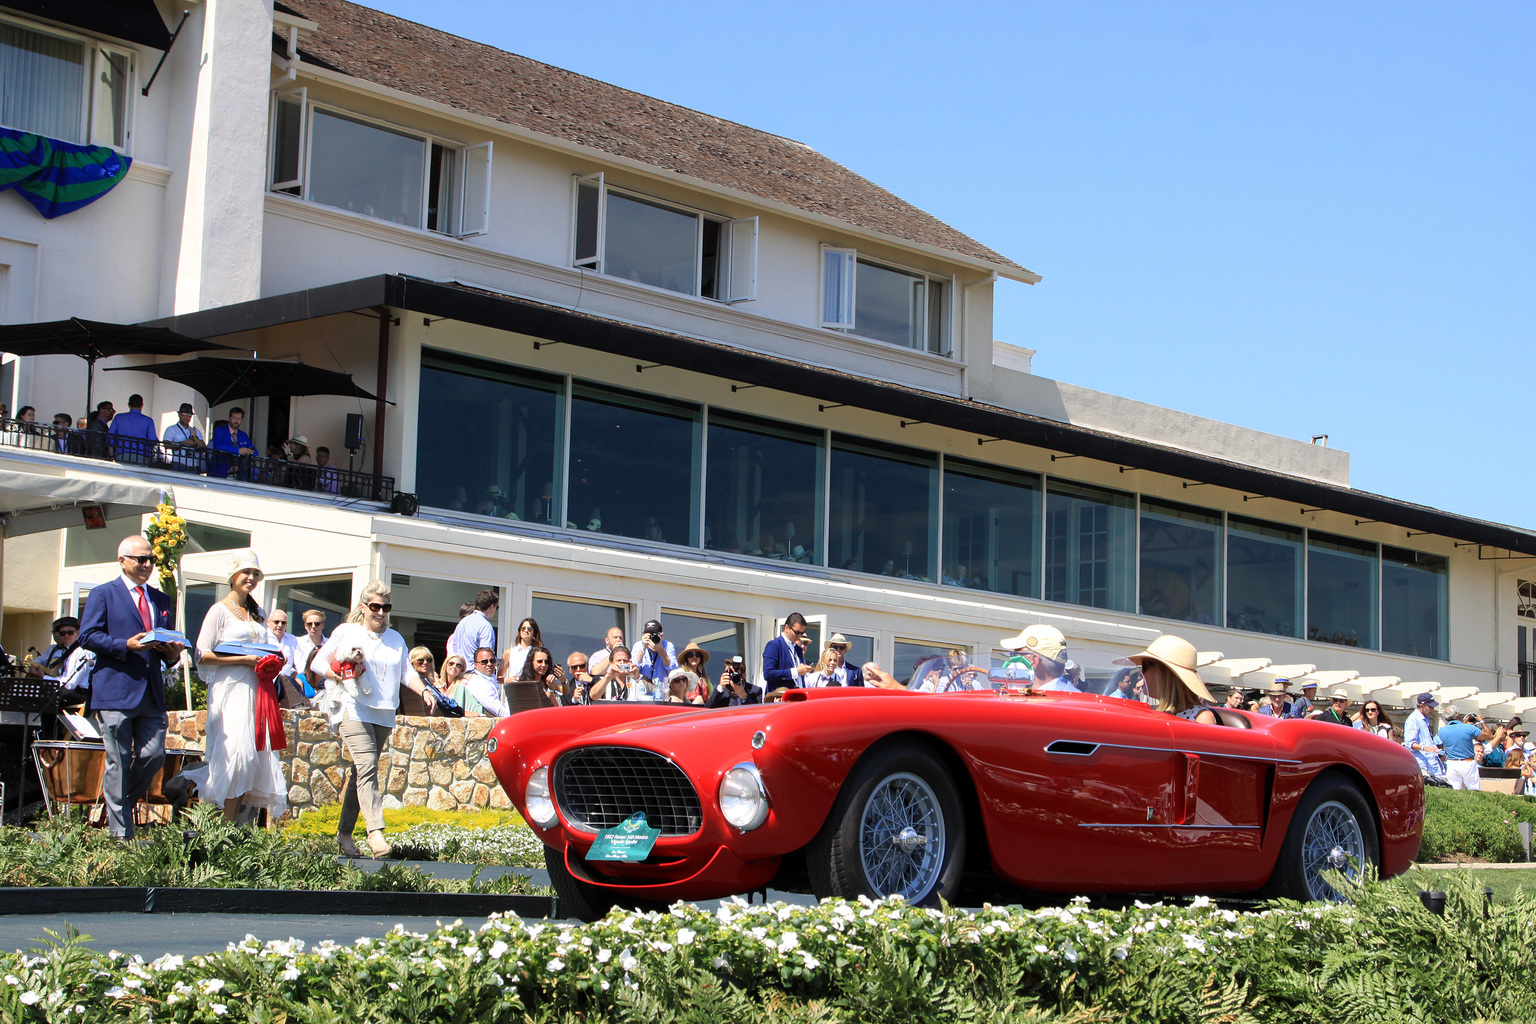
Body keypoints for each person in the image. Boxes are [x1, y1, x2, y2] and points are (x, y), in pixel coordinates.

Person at [77, 536, 184, 838]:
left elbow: (165, 643)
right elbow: (88, 636)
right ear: (122, 560)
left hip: (151, 692)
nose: (147, 565)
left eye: (151, 559)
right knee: (118, 762)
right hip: (114, 690)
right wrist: (124, 645)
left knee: (154, 755)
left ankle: (120, 803)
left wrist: (173, 656)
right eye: (141, 559)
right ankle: (121, 835)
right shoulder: (103, 594)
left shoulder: (161, 600)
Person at [315, 581, 432, 858]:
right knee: (367, 765)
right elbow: (318, 663)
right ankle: (375, 832)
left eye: (386, 607)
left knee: (361, 773)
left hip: (384, 712)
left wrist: (425, 690)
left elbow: (406, 672)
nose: (380, 612)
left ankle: (344, 833)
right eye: (375, 607)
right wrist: (342, 674)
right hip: (352, 706)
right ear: (363, 607)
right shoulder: (348, 632)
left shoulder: (396, 639)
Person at [195, 551, 288, 824]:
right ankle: (217, 822)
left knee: (254, 757)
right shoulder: (219, 610)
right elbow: (201, 653)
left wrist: (273, 660)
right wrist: (244, 659)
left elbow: (271, 647)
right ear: (233, 576)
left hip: (257, 690)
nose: (251, 578)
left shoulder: (258, 613)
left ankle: (232, 824)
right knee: (236, 754)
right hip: (230, 689)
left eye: (255, 574)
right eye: (246, 572)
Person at [1125, 634, 1217, 725]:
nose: (1141, 672)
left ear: (1165, 673)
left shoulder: (1201, 718)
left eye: (1145, 666)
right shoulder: (1148, 711)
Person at [998, 623, 1073, 691]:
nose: (1012, 662)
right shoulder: (1073, 696)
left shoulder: (1040, 703)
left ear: (1033, 661)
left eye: (1015, 656)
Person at [1439, 711, 1494, 790]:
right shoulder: (1469, 728)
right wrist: (1481, 721)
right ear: (1458, 715)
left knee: (1454, 790)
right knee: (1474, 789)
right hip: (1467, 762)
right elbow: (1489, 736)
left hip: (1451, 762)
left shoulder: (1442, 730)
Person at [763, 612, 813, 694]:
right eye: (797, 632)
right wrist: (795, 671)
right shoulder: (774, 645)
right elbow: (768, 674)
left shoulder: (798, 649)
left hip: (797, 697)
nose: (799, 636)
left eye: (802, 633)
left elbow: (800, 679)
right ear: (786, 628)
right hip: (779, 698)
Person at [454, 646, 509, 716]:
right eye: (484, 662)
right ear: (476, 665)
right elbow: (497, 709)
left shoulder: (489, 679)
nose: (489, 664)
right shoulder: (478, 683)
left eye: (492, 661)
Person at [449, 589, 498, 667]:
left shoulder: (462, 623)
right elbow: (485, 657)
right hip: (474, 674)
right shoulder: (485, 626)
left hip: (459, 672)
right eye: (496, 607)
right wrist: (498, 662)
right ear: (492, 606)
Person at [105, 393, 158, 464]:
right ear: (142, 405)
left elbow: (110, 439)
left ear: (129, 405)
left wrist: (112, 456)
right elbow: (152, 440)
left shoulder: (119, 418)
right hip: (141, 456)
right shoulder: (148, 420)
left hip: (122, 454)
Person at [1403, 693, 1444, 779]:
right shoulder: (1413, 719)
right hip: (1422, 765)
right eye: (1430, 707)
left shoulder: (1425, 719)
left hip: (1431, 764)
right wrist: (1424, 748)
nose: (1432, 710)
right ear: (1421, 705)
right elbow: (1409, 744)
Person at [209, 406, 256, 479]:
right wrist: (238, 450)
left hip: (238, 475)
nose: (236, 421)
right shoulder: (219, 431)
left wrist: (250, 451)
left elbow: (254, 451)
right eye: (234, 418)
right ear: (229, 418)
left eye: (239, 419)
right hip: (220, 473)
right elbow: (217, 446)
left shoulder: (243, 435)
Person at [631, 618, 676, 689]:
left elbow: (673, 669)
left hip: (662, 689)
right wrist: (643, 648)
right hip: (643, 688)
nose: (651, 638)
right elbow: (634, 668)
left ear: (661, 636)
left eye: (654, 635)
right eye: (649, 635)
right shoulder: (638, 645)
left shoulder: (668, 646)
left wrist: (661, 650)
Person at [162, 402, 206, 472]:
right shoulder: (171, 429)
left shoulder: (195, 430)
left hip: (194, 466)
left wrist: (195, 438)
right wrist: (183, 443)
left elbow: (204, 447)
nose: (187, 417)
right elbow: (166, 444)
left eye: (189, 415)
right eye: (184, 415)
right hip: (179, 464)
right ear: (179, 414)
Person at [401, 647, 438, 716]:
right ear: (411, 663)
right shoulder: (412, 684)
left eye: (429, 660)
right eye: (420, 661)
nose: (425, 663)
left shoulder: (428, 681)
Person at [501, 617, 541, 681]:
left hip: (531, 687)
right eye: (523, 628)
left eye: (530, 629)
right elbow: (498, 677)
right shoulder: (509, 652)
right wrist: (507, 680)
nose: (526, 630)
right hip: (514, 688)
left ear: (534, 633)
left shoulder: (537, 653)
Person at [295, 609, 328, 686]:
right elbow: (300, 666)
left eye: (317, 624)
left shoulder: (329, 643)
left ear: (323, 625)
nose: (313, 627)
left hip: (325, 681)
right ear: (305, 626)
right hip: (305, 682)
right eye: (309, 624)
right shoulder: (298, 642)